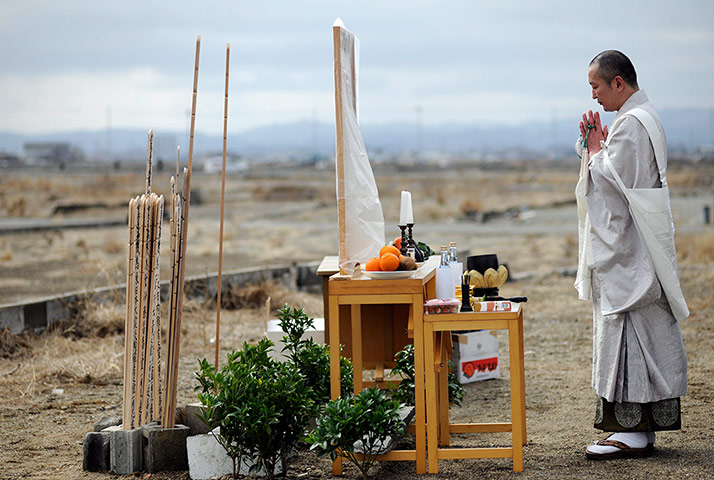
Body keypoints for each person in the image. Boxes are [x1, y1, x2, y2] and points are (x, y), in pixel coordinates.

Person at [574, 50, 688, 460]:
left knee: (631, 336)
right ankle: (635, 430)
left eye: (596, 86)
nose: (594, 96)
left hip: (629, 251)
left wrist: (593, 150)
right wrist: (599, 149)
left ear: (618, 83)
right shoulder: (643, 118)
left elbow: (614, 188)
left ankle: (632, 432)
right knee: (640, 335)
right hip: (638, 245)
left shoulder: (633, 125)